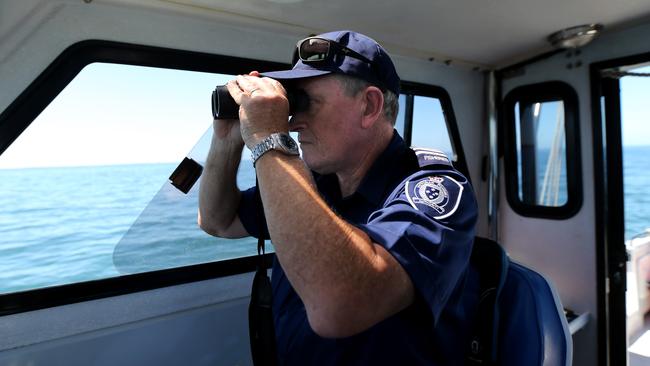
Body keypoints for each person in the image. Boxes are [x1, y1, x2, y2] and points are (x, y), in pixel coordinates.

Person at [198, 30, 478, 365]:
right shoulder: (316, 183)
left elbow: (339, 306)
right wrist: (228, 140)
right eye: (291, 103)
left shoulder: (436, 189)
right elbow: (219, 220)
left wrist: (268, 138)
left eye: (306, 103)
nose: (294, 122)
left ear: (369, 106)